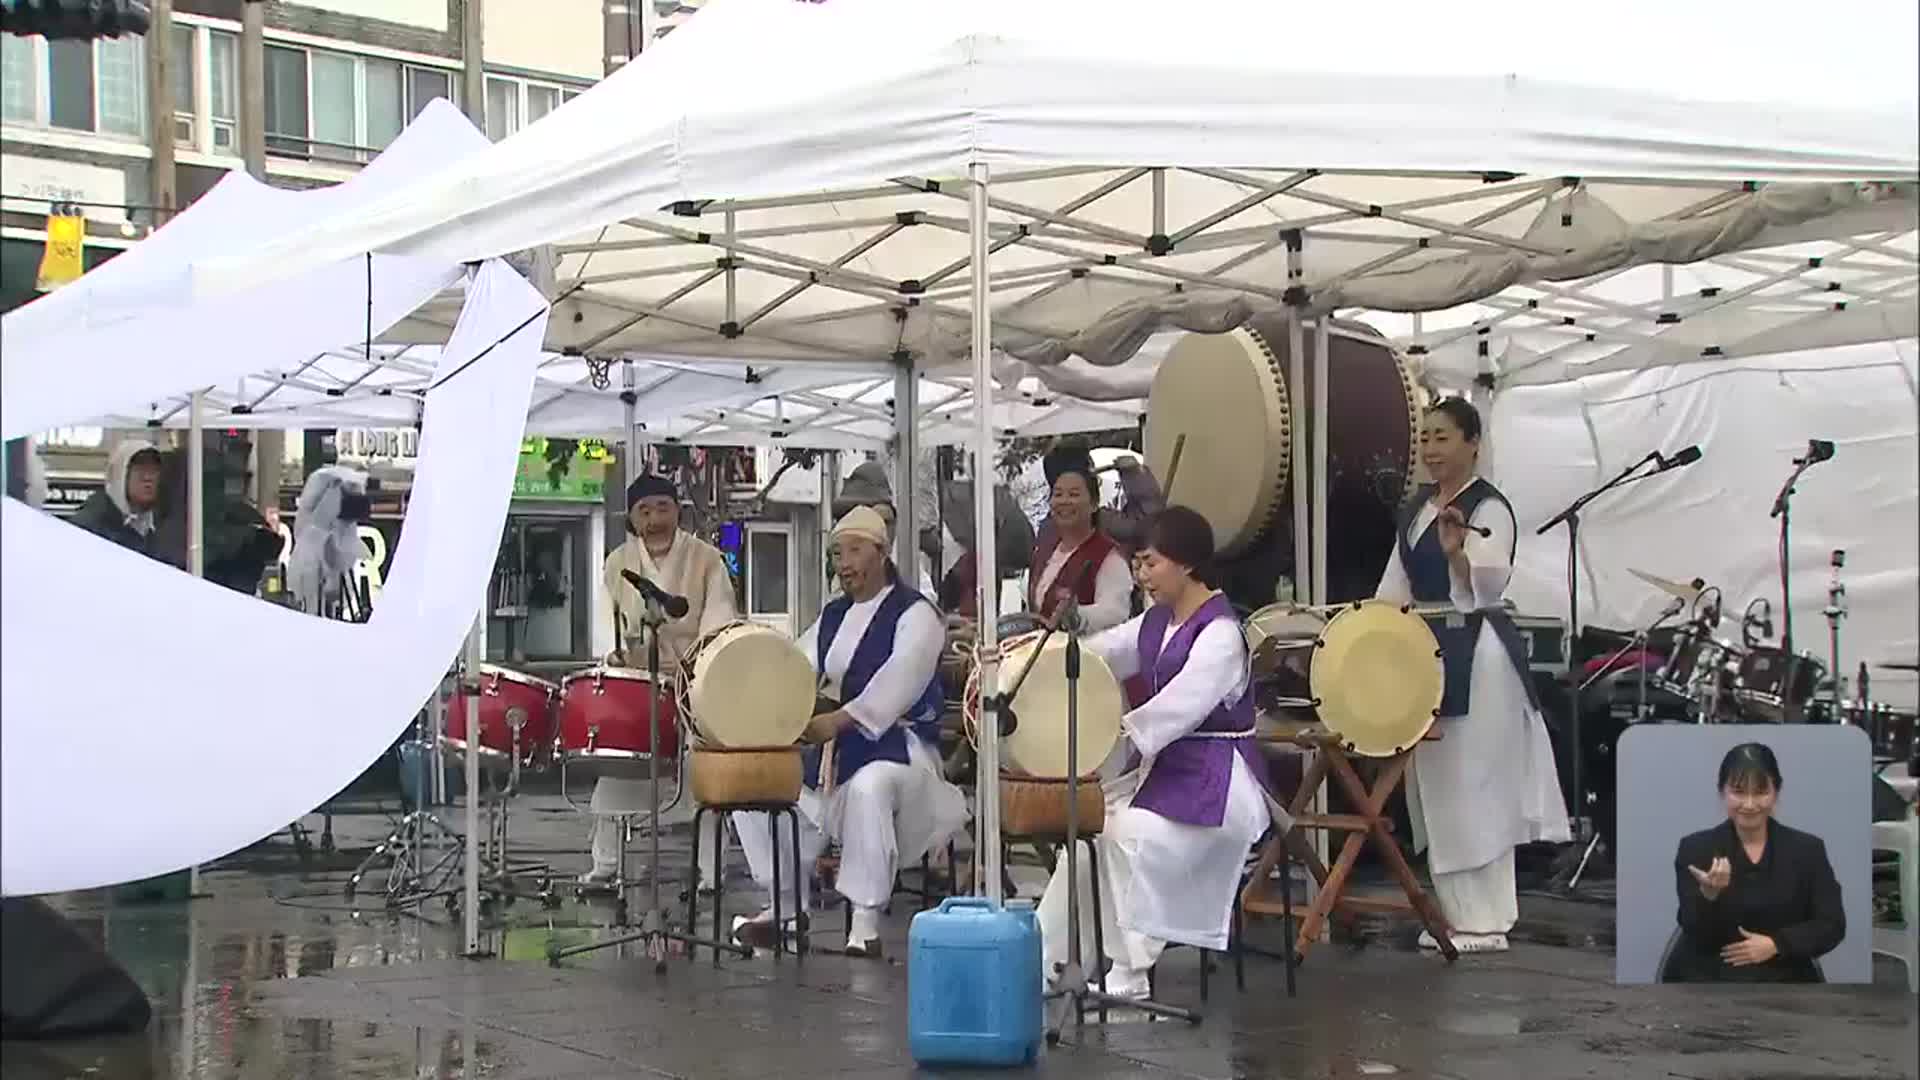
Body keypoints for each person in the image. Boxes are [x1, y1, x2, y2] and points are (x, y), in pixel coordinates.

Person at [1036, 506, 1279, 1000]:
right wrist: (1036, 655)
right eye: (1138, 564)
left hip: (1220, 783)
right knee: (1089, 833)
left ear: (1186, 563)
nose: (1141, 575)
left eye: (1150, 563)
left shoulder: (1222, 633)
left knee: (1125, 833)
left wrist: (1119, 734)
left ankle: (1130, 971)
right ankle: (1045, 957)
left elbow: (1178, 707)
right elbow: (1098, 653)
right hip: (1169, 773)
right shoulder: (1156, 621)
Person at [1375, 397, 1570, 954]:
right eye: (1427, 438)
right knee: (1439, 783)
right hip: (1428, 652)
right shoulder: (1416, 507)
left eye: (1444, 438)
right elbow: (1395, 586)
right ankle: (1458, 913)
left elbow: (1487, 588)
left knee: (1476, 779)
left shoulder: (1490, 507)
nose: (1432, 449)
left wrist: (1458, 554)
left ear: (1472, 443)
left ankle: (1488, 921)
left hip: (1478, 654)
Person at [732, 506, 968, 957]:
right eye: (837, 553)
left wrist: (835, 721)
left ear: (881, 553)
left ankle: (865, 921)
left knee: (868, 787)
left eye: (855, 550)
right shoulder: (834, 615)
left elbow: (899, 682)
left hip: (903, 750)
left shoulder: (919, 615)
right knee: (752, 781)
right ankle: (785, 906)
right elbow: (795, 667)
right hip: (834, 751)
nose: (843, 563)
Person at [584, 473, 738, 887]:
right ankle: (606, 864)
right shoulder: (618, 563)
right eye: (644, 511)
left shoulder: (706, 559)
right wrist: (613, 657)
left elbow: (720, 621)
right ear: (632, 517)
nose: (654, 519)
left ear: (678, 511)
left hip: (694, 683)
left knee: (702, 772)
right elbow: (606, 621)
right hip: (637, 684)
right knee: (617, 763)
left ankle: (711, 870)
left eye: (662, 508)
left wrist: (699, 670)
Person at [1663, 743, 1844, 983]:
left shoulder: (1807, 850)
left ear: (1776, 793)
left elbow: (1831, 924)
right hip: (1708, 979)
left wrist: (1776, 944)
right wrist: (1709, 894)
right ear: (1722, 792)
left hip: (1785, 978)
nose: (1749, 804)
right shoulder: (1696, 848)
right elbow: (1693, 931)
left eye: (1760, 792)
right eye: (1738, 792)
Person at [1025, 448, 1133, 635]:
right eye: (1058, 494)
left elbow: (1115, 613)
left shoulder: (1108, 556)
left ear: (1093, 504)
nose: (1064, 501)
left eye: (1074, 495)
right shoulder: (1045, 548)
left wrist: (1077, 616)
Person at [70, 441, 164, 556]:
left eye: (154, 470)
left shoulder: (163, 527)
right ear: (120, 475)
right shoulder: (89, 526)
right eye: (140, 469)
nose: (148, 478)